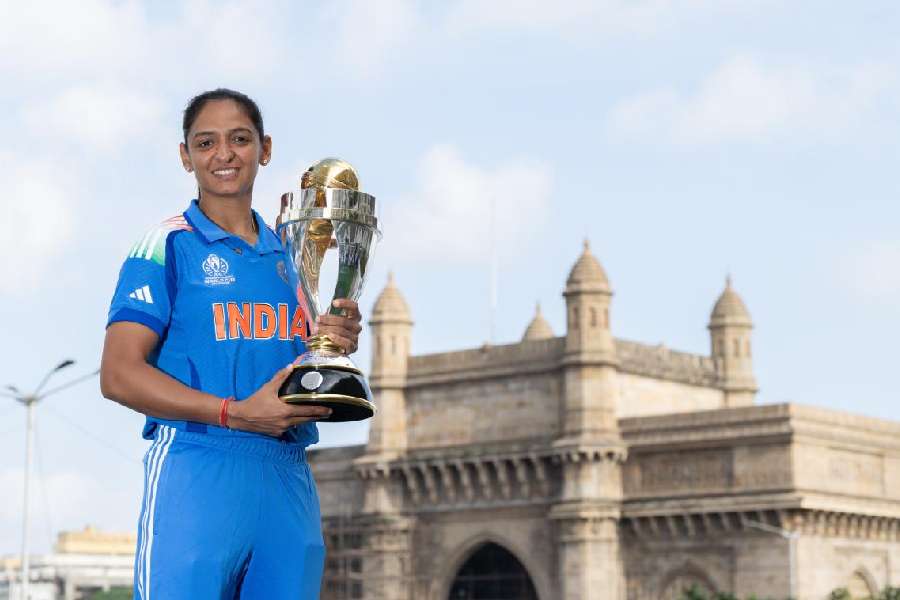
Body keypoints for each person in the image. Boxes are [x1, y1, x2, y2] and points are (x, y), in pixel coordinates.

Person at [100, 88, 361, 599]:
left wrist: (333, 341)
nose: (224, 154)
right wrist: (234, 413)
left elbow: (304, 365)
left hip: (287, 475)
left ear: (265, 148)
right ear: (186, 156)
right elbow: (118, 374)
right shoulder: (167, 245)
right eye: (206, 143)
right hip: (198, 468)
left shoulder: (294, 254)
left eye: (239, 139)